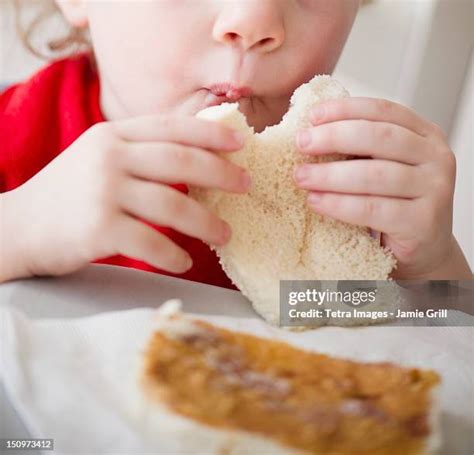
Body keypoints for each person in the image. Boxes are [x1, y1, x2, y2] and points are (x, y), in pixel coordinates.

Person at [0, 0, 471, 286]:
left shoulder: (357, 190)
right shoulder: (13, 135)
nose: (254, 19)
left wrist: (433, 271)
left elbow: (432, 351)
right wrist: (17, 231)